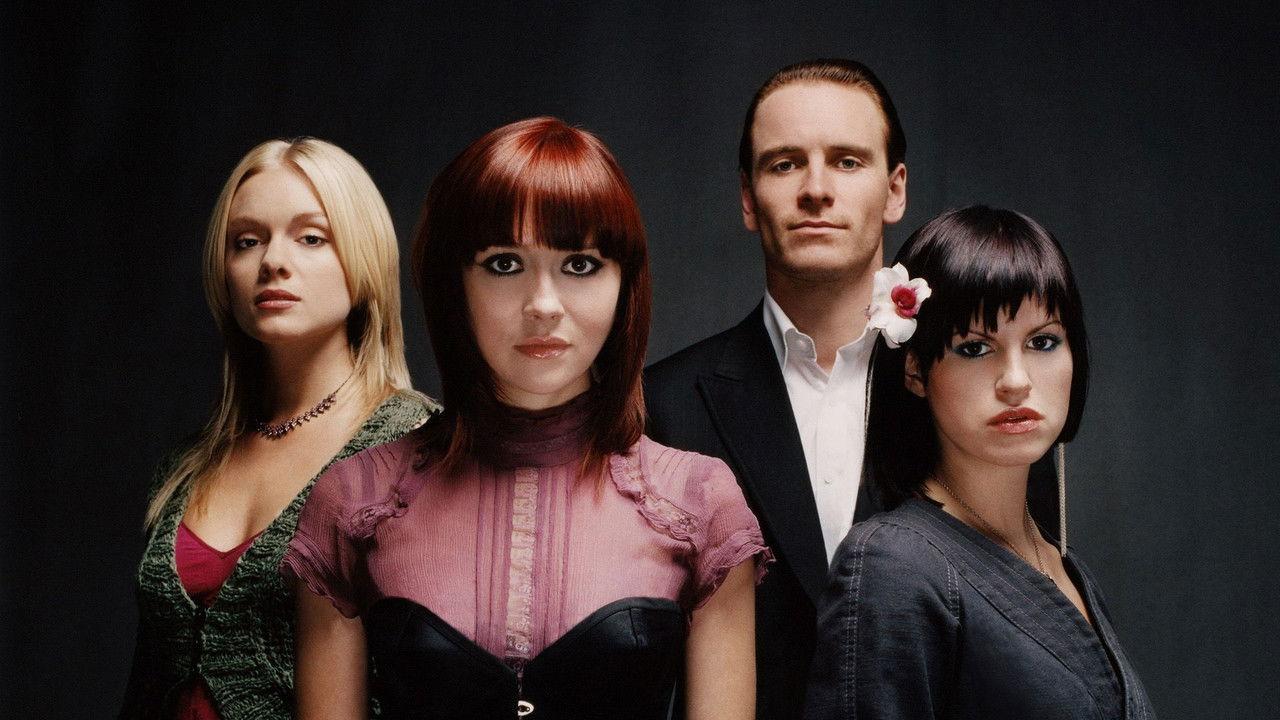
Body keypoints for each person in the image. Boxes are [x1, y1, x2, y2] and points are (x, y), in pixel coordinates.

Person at [283, 117, 771, 720]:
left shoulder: (700, 503)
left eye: (581, 265)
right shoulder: (355, 501)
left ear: (626, 284)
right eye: (504, 264)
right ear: (454, 284)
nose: (543, 306)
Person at [119, 138, 437, 720]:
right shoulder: (189, 465)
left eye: (311, 237)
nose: (273, 261)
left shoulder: (417, 448)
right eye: (247, 241)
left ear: (363, 257)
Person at [805, 206, 1155, 719]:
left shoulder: (1061, 562)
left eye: (1042, 342)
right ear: (915, 371)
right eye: (974, 348)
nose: (1016, 381)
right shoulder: (893, 566)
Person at [644, 58, 908, 720]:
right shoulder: (660, 406)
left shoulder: (969, 387)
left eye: (847, 161)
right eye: (785, 164)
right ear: (747, 197)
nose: (816, 189)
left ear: (895, 190)